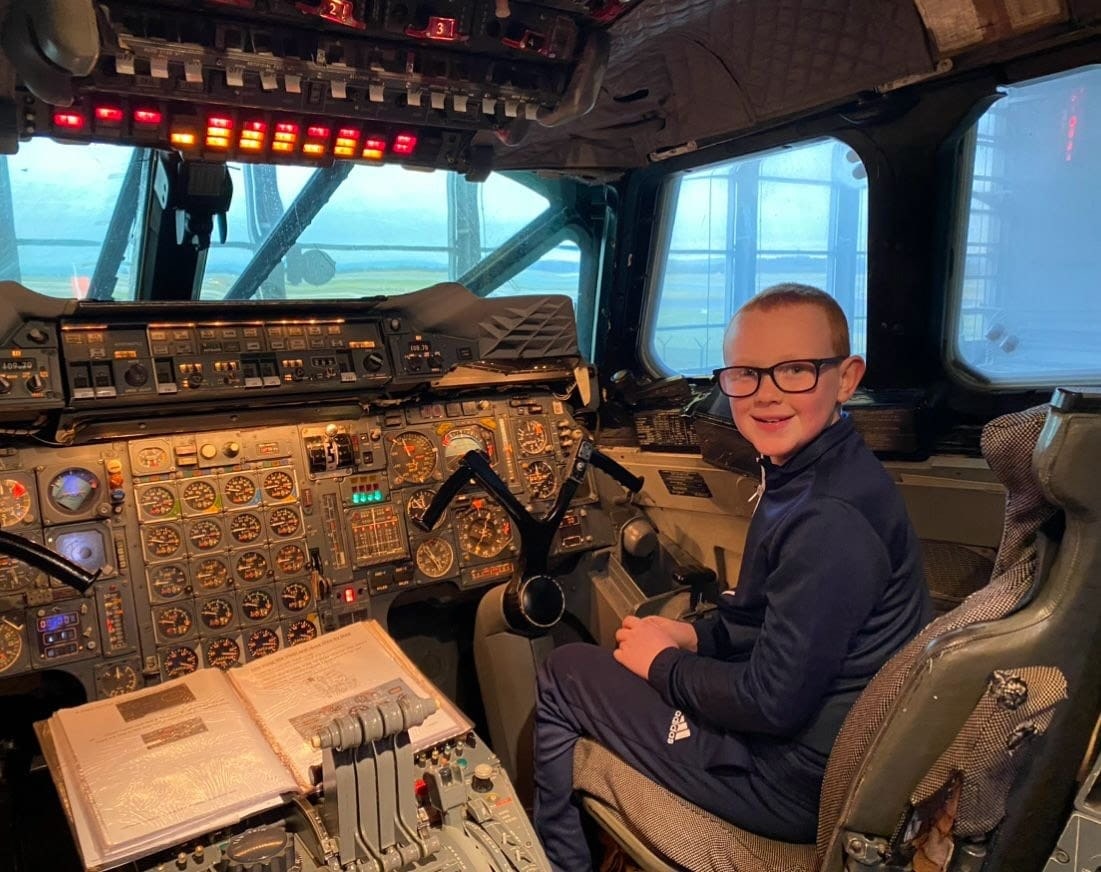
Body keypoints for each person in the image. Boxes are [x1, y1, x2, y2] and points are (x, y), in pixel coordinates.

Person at [533, 284, 933, 870]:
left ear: (846, 378)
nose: (766, 395)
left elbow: (773, 705)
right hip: (813, 746)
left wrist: (661, 666)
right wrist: (695, 639)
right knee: (648, 639)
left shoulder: (828, 518)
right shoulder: (813, 473)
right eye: (746, 373)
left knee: (564, 673)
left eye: (795, 370)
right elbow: (763, 617)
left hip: (789, 781)